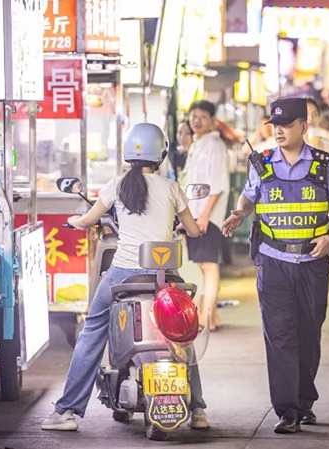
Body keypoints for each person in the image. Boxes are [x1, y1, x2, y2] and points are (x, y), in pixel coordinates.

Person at [41, 123, 210, 431]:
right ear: (161, 153)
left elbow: (89, 220)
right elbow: (195, 229)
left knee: (92, 332)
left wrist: (73, 221)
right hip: (164, 277)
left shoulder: (117, 184)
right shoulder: (171, 187)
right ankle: (197, 410)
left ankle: (67, 412)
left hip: (124, 275)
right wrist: (188, 227)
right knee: (180, 332)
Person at [221, 97, 329, 434]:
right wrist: (239, 213)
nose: (278, 131)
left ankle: (304, 399)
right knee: (279, 336)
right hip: (273, 261)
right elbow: (248, 197)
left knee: (308, 333)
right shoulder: (262, 164)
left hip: (312, 263)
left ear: (303, 127)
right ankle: (287, 410)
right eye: (274, 125)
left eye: (286, 125)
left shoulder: (325, 165)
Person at [185, 100, 230, 331]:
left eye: (202, 116)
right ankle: (210, 317)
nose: (197, 120)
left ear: (212, 120)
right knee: (202, 265)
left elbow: (217, 184)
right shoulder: (198, 144)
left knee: (208, 265)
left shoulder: (215, 145)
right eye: (194, 115)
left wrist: (204, 215)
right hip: (195, 215)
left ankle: (207, 316)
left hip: (206, 217)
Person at [170, 120, 193, 186]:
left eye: (188, 133)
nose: (182, 137)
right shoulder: (175, 154)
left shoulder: (198, 155)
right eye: (179, 133)